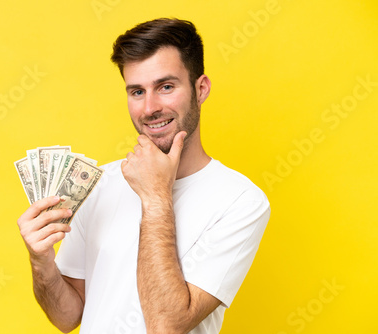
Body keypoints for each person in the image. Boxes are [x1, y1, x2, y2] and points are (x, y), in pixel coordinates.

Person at [17, 18, 270, 334]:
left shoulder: (240, 201)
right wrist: (42, 263)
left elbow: (167, 325)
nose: (150, 107)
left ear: (200, 88)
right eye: (137, 91)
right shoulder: (98, 184)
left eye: (166, 87)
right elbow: (66, 317)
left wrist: (155, 197)